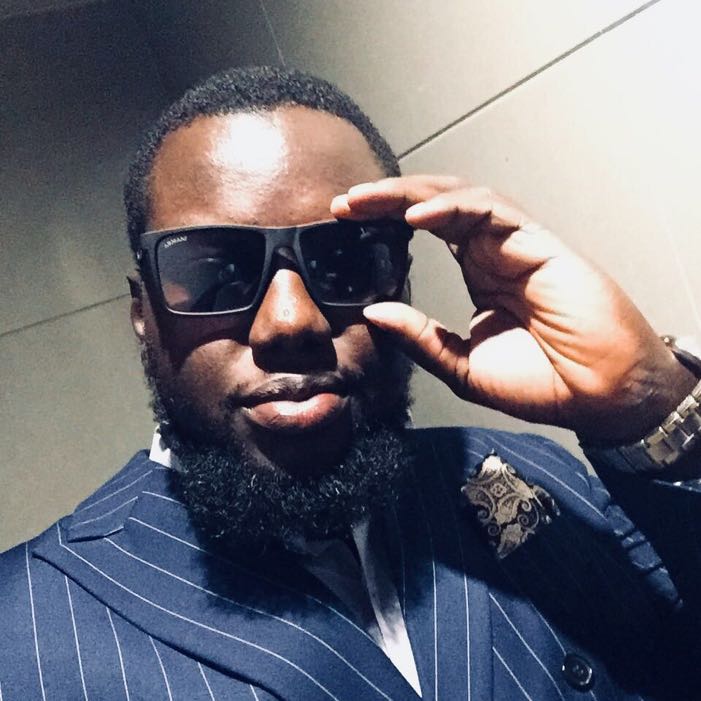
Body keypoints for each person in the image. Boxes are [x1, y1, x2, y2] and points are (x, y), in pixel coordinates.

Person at [1, 66, 700, 700]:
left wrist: (647, 406)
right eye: (213, 272)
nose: (291, 320)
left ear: (400, 279)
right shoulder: (24, 630)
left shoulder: (534, 471)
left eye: (343, 260)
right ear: (143, 312)